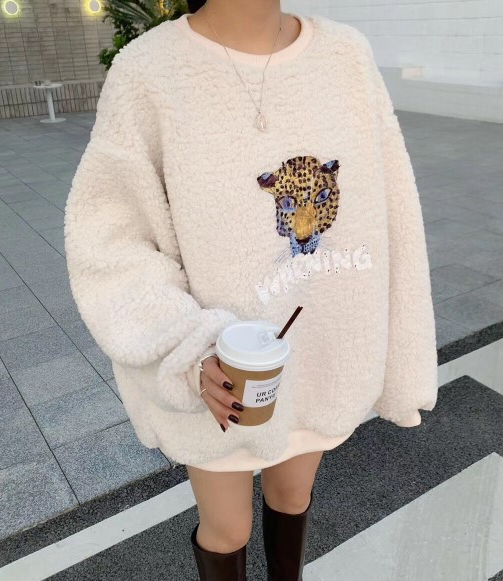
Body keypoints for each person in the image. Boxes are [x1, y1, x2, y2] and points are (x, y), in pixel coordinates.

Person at [63, 0, 439, 578]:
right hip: (221, 374)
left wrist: (402, 358)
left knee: (293, 495)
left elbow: (396, 214)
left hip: (323, 355)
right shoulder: (149, 71)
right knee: (228, 527)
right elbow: (110, 238)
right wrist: (185, 345)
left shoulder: (347, 57)